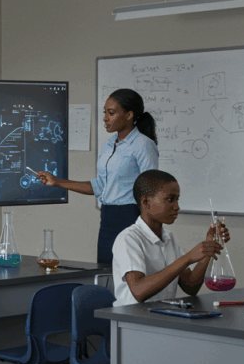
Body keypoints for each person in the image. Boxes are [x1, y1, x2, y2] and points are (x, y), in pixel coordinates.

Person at [37, 89, 159, 264]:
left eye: (111, 113)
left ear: (129, 115)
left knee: (129, 275)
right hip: (107, 217)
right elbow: (100, 186)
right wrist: (57, 182)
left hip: (131, 217)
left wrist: (147, 229)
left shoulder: (143, 145)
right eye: (105, 113)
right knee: (104, 272)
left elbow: (151, 190)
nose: (105, 118)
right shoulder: (109, 145)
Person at [112, 169, 230, 307]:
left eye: (177, 199)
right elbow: (139, 291)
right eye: (170, 199)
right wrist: (187, 258)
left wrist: (207, 250)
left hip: (161, 316)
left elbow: (190, 286)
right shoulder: (128, 239)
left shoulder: (169, 238)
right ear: (145, 202)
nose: (177, 206)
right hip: (131, 321)